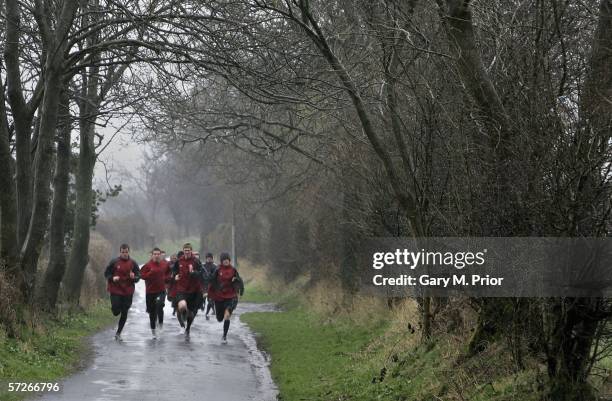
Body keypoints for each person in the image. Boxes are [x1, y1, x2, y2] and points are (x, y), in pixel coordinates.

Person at [104, 244, 140, 341]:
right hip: (115, 289)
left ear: (129, 252)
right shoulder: (114, 262)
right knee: (116, 312)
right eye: (123, 252)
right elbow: (106, 273)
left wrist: (134, 277)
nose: (124, 254)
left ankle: (118, 333)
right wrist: (112, 278)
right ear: (120, 252)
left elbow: (138, 276)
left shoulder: (133, 263)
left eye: (126, 252)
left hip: (128, 291)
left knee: (124, 312)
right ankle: (115, 309)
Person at [209, 252, 243, 343]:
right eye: (224, 260)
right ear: (221, 261)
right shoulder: (217, 269)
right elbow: (212, 281)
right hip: (219, 297)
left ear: (229, 260)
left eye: (227, 260)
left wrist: (238, 288)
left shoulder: (233, 270)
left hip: (230, 296)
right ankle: (220, 317)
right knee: (220, 318)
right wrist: (210, 294)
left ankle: (224, 336)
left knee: (227, 315)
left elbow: (239, 281)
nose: (226, 261)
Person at [172, 243, 203, 339]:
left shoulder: (196, 261)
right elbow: (174, 272)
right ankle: (183, 320)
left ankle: (188, 328)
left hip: (194, 291)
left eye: (188, 250)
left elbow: (201, 274)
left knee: (191, 314)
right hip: (182, 289)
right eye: (185, 250)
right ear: (183, 250)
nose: (187, 252)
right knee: (182, 306)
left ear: (191, 251)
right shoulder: (179, 261)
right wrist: (175, 276)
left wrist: (193, 272)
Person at [140, 247, 171, 338]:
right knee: (152, 313)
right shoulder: (147, 265)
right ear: (152, 255)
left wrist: (167, 278)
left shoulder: (164, 264)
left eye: (158, 254)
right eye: (155, 254)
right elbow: (141, 275)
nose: (157, 256)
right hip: (150, 292)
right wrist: (149, 274)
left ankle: (160, 324)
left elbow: (169, 272)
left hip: (161, 291)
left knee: (159, 304)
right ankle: (153, 330)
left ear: (161, 255)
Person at [201, 252, 217, 319]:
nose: (209, 259)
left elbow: (216, 276)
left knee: (211, 300)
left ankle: (207, 313)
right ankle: (203, 306)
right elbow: (200, 275)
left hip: (212, 285)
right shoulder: (203, 266)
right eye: (208, 258)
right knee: (203, 299)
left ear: (212, 259)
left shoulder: (215, 266)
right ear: (206, 258)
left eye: (210, 258)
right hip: (204, 285)